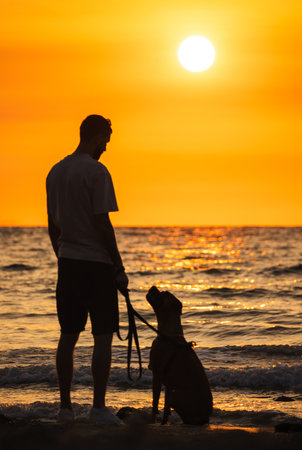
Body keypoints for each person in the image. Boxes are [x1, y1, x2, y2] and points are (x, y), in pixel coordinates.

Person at [46, 114, 128, 424]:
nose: (107, 145)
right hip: (97, 265)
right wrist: (118, 266)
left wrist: (62, 256)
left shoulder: (55, 172)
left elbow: (53, 225)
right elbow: (102, 223)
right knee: (103, 336)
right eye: (106, 137)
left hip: (68, 264)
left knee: (68, 336)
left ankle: (65, 409)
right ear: (95, 136)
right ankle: (97, 408)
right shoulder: (96, 171)